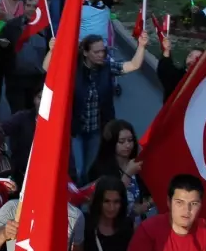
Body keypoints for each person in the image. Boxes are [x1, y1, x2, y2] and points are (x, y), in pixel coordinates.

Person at [61, 33, 148, 177]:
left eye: (103, 51)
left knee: (90, 166)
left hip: (97, 129)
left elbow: (133, 65)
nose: (101, 55)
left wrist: (142, 46)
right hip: (76, 129)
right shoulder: (72, 69)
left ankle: (87, 194)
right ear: (85, 52)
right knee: (78, 167)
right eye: (96, 52)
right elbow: (48, 70)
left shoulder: (107, 68)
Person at [86, 119, 151, 222]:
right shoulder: (100, 168)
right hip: (113, 226)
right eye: (121, 141)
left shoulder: (137, 164)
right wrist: (128, 174)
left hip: (137, 226)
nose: (128, 145)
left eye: (130, 140)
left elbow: (151, 194)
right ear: (111, 143)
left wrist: (146, 205)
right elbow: (108, 197)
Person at [82, 176, 135, 251]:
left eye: (116, 202)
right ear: (98, 201)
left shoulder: (127, 226)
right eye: (107, 201)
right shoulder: (86, 224)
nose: (111, 208)